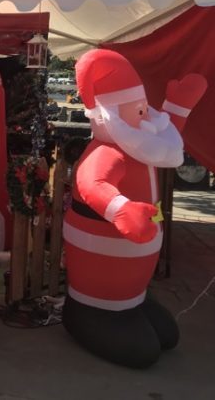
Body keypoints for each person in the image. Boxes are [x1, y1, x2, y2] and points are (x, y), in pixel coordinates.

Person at [62, 48, 207, 368]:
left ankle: (130, 302)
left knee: (166, 336)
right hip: (98, 281)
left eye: (143, 108)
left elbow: (164, 141)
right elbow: (90, 182)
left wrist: (178, 108)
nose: (145, 116)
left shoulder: (137, 142)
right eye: (137, 110)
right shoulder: (106, 151)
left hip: (134, 283)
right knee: (145, 352)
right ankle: (91, 310)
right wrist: (120, 209)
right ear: (110, 115)